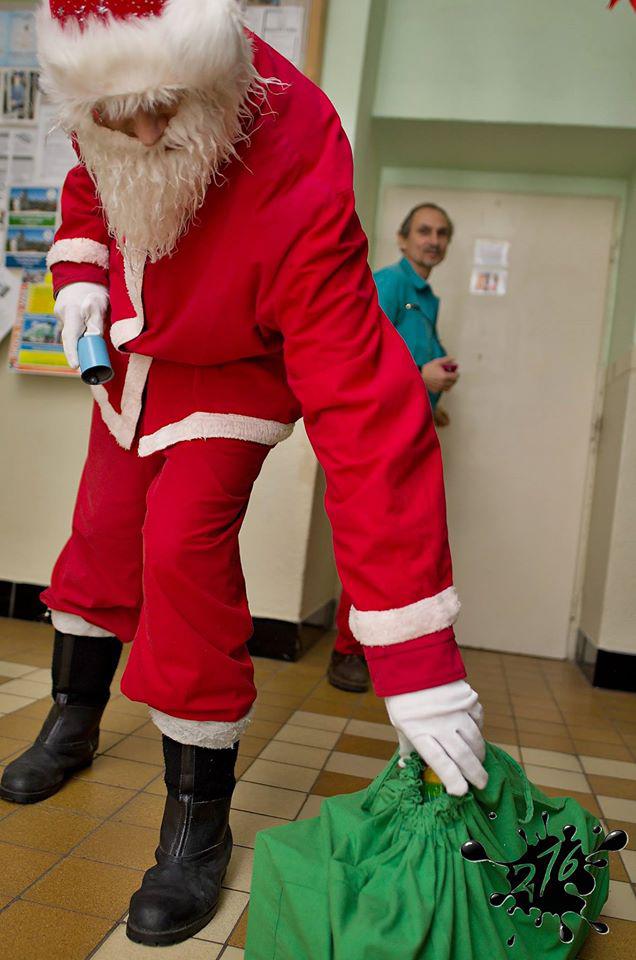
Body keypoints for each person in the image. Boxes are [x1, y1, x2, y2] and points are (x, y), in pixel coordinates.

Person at [1, 0, 488, 947]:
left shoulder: (298, 144)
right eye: (118, 114)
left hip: (236, 370)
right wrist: (83, 276)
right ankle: (72, 719)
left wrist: (418, 663)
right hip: (135, 360)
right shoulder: (106, 103)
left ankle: (196, 822)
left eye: (165, 106)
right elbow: (93, 181)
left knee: (182, 549)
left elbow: (364, 410)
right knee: (101, 532)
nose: (146, 133)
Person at [328, 202, 459, 692]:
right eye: (424, 231)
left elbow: (404, 355)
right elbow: (359, 351)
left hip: (407, 432)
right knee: (375, 542)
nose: (433, 240)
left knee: (400, 544)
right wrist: (421, 377)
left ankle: (380, 648)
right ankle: (347, 651)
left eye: (442, 233)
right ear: (403, 239)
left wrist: (431, 402)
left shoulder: (426, 298)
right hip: (376, 436)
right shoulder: (389, 283)